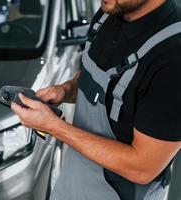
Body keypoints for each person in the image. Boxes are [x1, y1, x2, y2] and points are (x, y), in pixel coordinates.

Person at [11, 0, 181, 199]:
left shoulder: (173, 58)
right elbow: (100, 75)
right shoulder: (108, 13)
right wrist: (66, 90)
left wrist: (54, 126)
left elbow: (143, 168)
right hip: (71, 186)